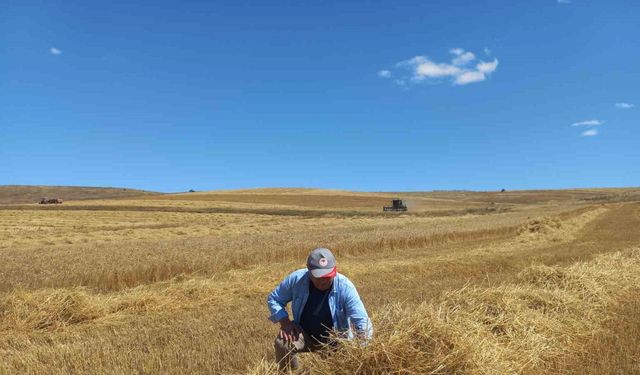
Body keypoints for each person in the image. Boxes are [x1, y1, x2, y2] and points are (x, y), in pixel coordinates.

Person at [266, 247, 373, 371]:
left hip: (336, 339)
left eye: (328, 276)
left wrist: (363, 349)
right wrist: (285, 322)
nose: (324, 281)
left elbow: (361, 321)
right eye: (319, 277)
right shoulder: (297, 279)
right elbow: (274, 299)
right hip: (304, 333)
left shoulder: (345, 287)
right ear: (309, 272)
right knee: (283, 343)